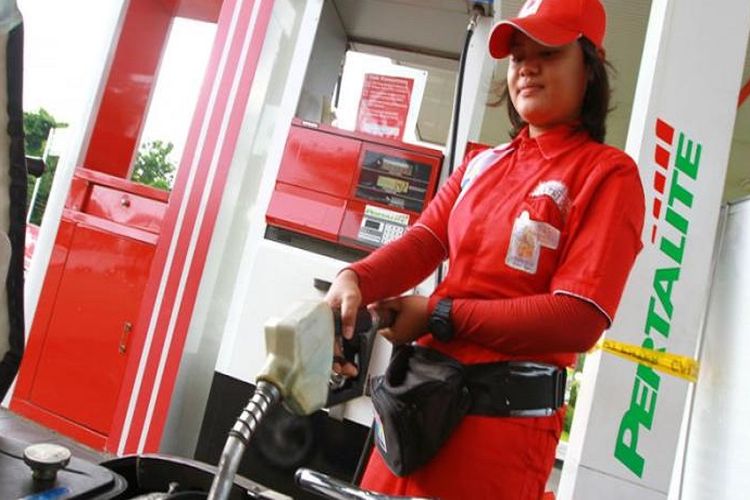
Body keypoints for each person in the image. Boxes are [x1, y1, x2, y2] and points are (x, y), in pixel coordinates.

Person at [325, 0, 645, 498]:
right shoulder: (482, 163)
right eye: (518, 57)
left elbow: (578, 317)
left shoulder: (608, 174)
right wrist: (355, 280)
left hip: (499, 435)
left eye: (548, 53)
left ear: (590, 68)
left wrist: (439, 315)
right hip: (414, 412)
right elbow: (425, 241)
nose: (527, 68)